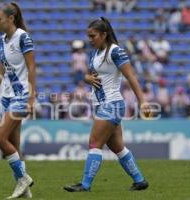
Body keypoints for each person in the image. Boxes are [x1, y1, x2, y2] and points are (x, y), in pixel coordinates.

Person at [63, 17, 150, 192]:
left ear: (104, 34)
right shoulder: (95, 52)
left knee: (94, 143)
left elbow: (131, 76)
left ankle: (85, 184)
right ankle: (139, 180)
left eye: (93, 36)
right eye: (88, 36)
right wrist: (87, 78)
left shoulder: (116, 52)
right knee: (117, 146)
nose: (90, 39)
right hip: (101, 104)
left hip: (112, 104)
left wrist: (143, 101)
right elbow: (91, 76)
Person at [0, 2, 35, 199]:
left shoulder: (23, 38)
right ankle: (25, 192)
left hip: (20, 96)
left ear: (10, 19)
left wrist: (31, 96)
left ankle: (23, 178)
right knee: (14, 145)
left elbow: (32, 68)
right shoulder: (1, 41)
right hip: (6, 97)